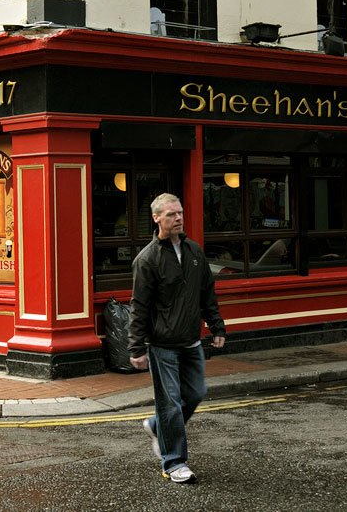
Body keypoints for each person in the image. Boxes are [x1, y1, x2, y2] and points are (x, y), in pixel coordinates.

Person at [128, 193, 226, 484]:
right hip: (162, 346)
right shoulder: (147, 259)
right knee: (170, 403)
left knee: (195, 394)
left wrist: (216, 326)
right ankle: (174, 463)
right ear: (157, 218)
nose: (178, 218)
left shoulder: (195, 251)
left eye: (180, 213)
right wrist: (136, 347)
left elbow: (207, 291)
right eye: (171, 214)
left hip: (191, 342)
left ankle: (158, 427)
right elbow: (139, 306)